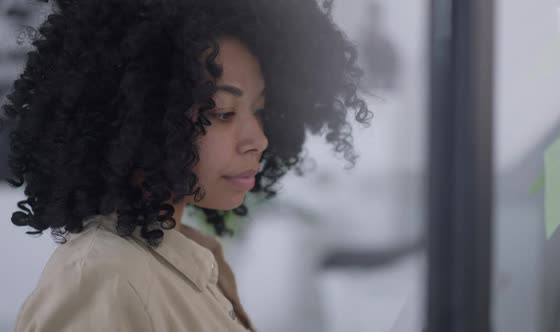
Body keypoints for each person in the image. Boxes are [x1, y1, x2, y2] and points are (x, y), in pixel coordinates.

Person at [1, 0, 372, 330]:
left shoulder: (185, 260)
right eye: (223, 113)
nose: (258, 139)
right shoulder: (102, 281)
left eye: (259, 111)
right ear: (140, 117)